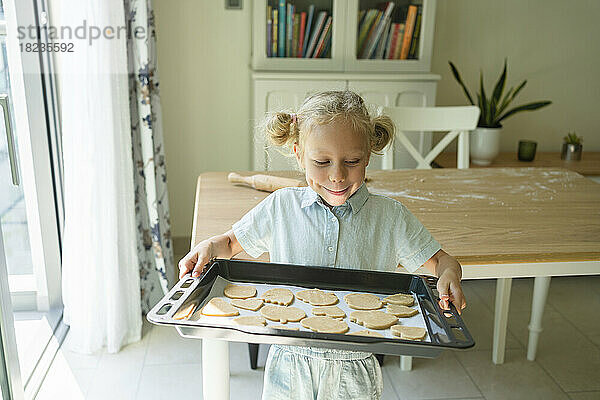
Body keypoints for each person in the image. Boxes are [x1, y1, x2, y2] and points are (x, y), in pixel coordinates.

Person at [178, 91, 466, 400]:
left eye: (352, 161)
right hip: (289, 362)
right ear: (299, 155)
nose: (337, 175)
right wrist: (208, 246)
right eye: (322, 161)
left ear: (368, 155)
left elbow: (442, 262)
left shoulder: (390, 217)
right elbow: (231, 243)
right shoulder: (280, 207)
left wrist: (450, 274)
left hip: (353, 369)